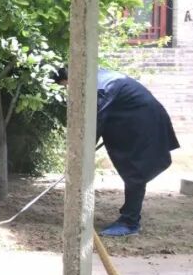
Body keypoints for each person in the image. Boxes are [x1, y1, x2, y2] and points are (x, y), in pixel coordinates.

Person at [54, 67, 179, 236]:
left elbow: (93, 124)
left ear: (69, 79)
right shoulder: (92, 76)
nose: (67, 89)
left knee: (136, 172)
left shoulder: (101, 88)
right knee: (133, 171)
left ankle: (130, 223)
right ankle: (129, 216)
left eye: (65, 85)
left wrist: (79, 155)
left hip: (144, 122)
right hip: (134, 121)